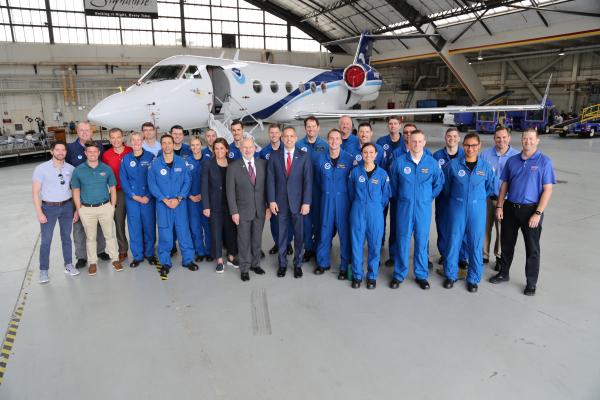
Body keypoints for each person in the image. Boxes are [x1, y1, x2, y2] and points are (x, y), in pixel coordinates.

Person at [489, 128, 556, 296]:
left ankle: (531, 283)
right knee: (506, 244)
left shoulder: (544, 162)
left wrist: (538, 213)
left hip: (531, 211)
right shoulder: (512, 161)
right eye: (525, 139)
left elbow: (548, 190)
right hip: (511, 208)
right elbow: (504, 184)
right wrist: (500, 205)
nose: (527, 142)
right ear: (521, 140)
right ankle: (504, 273)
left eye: (531, 139)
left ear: (537, 140)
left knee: (532, 249)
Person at [388, 130, 444, 290]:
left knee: (421, 242)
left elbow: (439, 183)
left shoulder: (432, 163)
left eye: (420, 141)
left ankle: (421, 275)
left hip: (423, 209)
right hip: (404, 208)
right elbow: (394, 185)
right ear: (409, 143)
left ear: (424, 143)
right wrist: (404, 198)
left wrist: (427, 198)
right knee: (402, 240)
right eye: (414, 141)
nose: (417, 144)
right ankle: (399, 274)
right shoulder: (399, 162)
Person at [442, 133, 497, 292]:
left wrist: (476, 198)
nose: (470, 148)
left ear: (479, 146)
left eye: (473, 145)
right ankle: (450, 275)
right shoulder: (453, 166)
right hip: (456, 207)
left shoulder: (485, 167)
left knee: (475, 243)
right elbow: (446, 187)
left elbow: (490, 187)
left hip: (477, 210)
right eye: (467, 145)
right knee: (453, 241)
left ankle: (473, 278)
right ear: (463, 146)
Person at [147, 134, 198, 278]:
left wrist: (180, 197)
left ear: (172, 144)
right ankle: (165, 262)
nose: (167, 145)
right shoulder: (155, 164)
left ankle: (188, 260)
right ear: (161, 145)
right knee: (165, 233)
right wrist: (163, 199)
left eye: (170, 143)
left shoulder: (182, 162)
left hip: (180, 203)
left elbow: (187, 181)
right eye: (164, 143)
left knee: (184, 232)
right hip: (163, 205)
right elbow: (152, 184)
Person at [71, 141, 123, 275]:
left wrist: (112, 206)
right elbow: (75, 191)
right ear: (85, 153)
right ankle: (92, 262)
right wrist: (79, 209)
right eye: (89, 151)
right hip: (87, 209)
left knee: (109, 235)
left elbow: (112, 188)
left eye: (95, 151)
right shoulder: (78, 170)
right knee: (90, 237)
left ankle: (115, 258)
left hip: (105, 207)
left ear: (98, 153)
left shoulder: (106, 169)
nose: (92, 154)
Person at [267, 126, 313, 278]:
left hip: (299, 203)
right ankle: (282, 264)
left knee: (299, 235)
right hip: (280, 203)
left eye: (291, 136)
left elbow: (308, 181)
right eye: (286, 136)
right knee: (282, 235)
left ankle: (297, 264)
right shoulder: (274, 156)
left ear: (295, 137)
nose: (288, 139)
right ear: (281, 138)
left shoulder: (304, 156)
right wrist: (272, 200)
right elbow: (271, 180)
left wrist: (306, 202)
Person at [32, 141, 79, 283]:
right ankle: (44, 270)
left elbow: (75, 190)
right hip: (48, 208)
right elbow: (35, 193)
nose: (60, 152)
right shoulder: (41, 168)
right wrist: (39, 212)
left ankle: (69, 265)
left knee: (66, 237)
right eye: (57, 150)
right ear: (51, 151)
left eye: (63, 150)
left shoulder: (71, 169)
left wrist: (75, 209)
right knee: (46, 240)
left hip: (67, 207)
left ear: (66, 152)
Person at [66, 121, 109, 268]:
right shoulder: (70, 148)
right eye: (81, 130)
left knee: (98, 222)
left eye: (87, 130)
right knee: (78, 225)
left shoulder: (99, 146)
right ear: (77, 132)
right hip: (78, 193)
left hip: (96, 192)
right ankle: (82, 256)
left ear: (91, 132)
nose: (85, 133)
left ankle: (101, 250)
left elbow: (101, 167)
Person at [348, 143, 391, 289]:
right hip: (358, 210)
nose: (368, 155)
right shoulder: (354, 172)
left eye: (371, 152)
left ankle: (372, 276)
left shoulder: (383, 174)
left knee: (374, 245)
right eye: (365, 152)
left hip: (375, 213)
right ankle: (357, 275)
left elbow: (385, 196)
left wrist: (376, 207)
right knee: (357, 244)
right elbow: (350, 192)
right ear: (361, 154)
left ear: (376, 154)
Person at [226, 137, 268, 281]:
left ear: (255, 149)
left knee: (257, 239)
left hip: (260, 210)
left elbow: (267, 189)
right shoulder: (233, 167)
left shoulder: (263, 164)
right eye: (245, 147)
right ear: (240, 149)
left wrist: (267, 207)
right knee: (243, 240)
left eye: (250, 147)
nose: (248, 150)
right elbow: (230, 192)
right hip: (242, 211)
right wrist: (234, 211)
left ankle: (255, 264)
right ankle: (244, 268)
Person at [314, 129, 354, 278]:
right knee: (324, 231)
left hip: (344, 201)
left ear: (341, 141)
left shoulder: (349, 159)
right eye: (331, 138)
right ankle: (322, 263)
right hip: (327, 200)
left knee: (344, 233)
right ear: (327, 140)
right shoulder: (320, 159)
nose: (334, 141)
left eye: (337, 138)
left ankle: (344, 266)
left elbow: (352, 182)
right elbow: (318, 181)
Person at [480, 126, 519, 269]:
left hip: (506, 200)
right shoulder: (485, 155)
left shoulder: (516, 156)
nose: (501, 140)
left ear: (509, 138)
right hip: (487, 198)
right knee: (484, 227)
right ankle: (484, 254)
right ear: (494, 139)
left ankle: (499, 256)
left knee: (502, 230)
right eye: (498, 137)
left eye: (504, 137)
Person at [119, 132, 159, 268]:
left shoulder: (151, 157)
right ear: (130, 142)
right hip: (133, 200)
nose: (136, 143)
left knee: (149, 226)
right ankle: (137, 256)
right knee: (134, 227)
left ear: (143, 141)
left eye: (138, 140)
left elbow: (154, 179)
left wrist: (147, 196)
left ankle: (149, 254)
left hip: (148, 199)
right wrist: (134, 196)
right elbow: (123, 181)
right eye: (133, 140)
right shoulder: (125, 159)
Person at [202, 138, 239, 273]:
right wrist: (206, 206)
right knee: (216, 232)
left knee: (231, 231)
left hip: (230, 204)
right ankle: (219, 259)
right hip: (214, 204)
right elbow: (204, 187)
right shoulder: (207, 164)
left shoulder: (232, 163)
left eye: (221, 148)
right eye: (216, 148)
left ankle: (231, 256)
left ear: (227, 149)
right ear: (213, 150)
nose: (219, 151)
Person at [432, 127, 466, 273]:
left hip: (460, 198)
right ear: (445, 138)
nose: (451, 139)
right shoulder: (437, 155)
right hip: (443, 197)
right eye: (449, 136)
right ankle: (445, 253)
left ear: (459, 138)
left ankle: (462, 256)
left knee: (461, 227)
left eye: (454, 136)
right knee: (443, 226)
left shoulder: (465, 154)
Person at [297, 116, 328, 263]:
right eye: (308, 127)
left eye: (313, 126)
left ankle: (318, 248)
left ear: (318, 127)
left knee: (320, 220)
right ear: (305, 129)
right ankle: (308, 249)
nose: (311, 129)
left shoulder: (325, 145)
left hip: (321, 189)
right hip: (303, 190)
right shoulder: (298, 145)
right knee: (306, 222)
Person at [259, 123, 293, 256]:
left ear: (281, 134)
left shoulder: (288, 149)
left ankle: (288, 242)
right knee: (274, 220)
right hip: (272, 191)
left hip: (287, 191)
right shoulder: (264, 152)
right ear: (269, 134)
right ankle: (278, 243)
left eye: (276, 132)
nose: (274, 135)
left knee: (288, 219)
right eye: (271, 133)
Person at [101, 128, 132, 262]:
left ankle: (140, 247)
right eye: (112, 138)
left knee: (136, 221)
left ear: (123, 137)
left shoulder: (130, 151)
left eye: (118, 137)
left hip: (132, 191)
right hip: (117, 192)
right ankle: (123, 249)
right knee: (119, 222)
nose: (116, 140)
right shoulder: (106, 155)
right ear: (109, 139)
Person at [186, 137, 211, 262]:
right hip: (191, 200)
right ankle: (199, 252)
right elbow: (183, 182)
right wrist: (190, 195)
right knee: (195, 227)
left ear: (201, 145)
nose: (195, 147)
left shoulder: (208, 160)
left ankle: (209, 251)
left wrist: (203, 195)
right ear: (190, 147)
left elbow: (212, 181)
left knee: (208, 226)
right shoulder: (186, 162)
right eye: (192, 145)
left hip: (205, 199)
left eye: (197, 145)